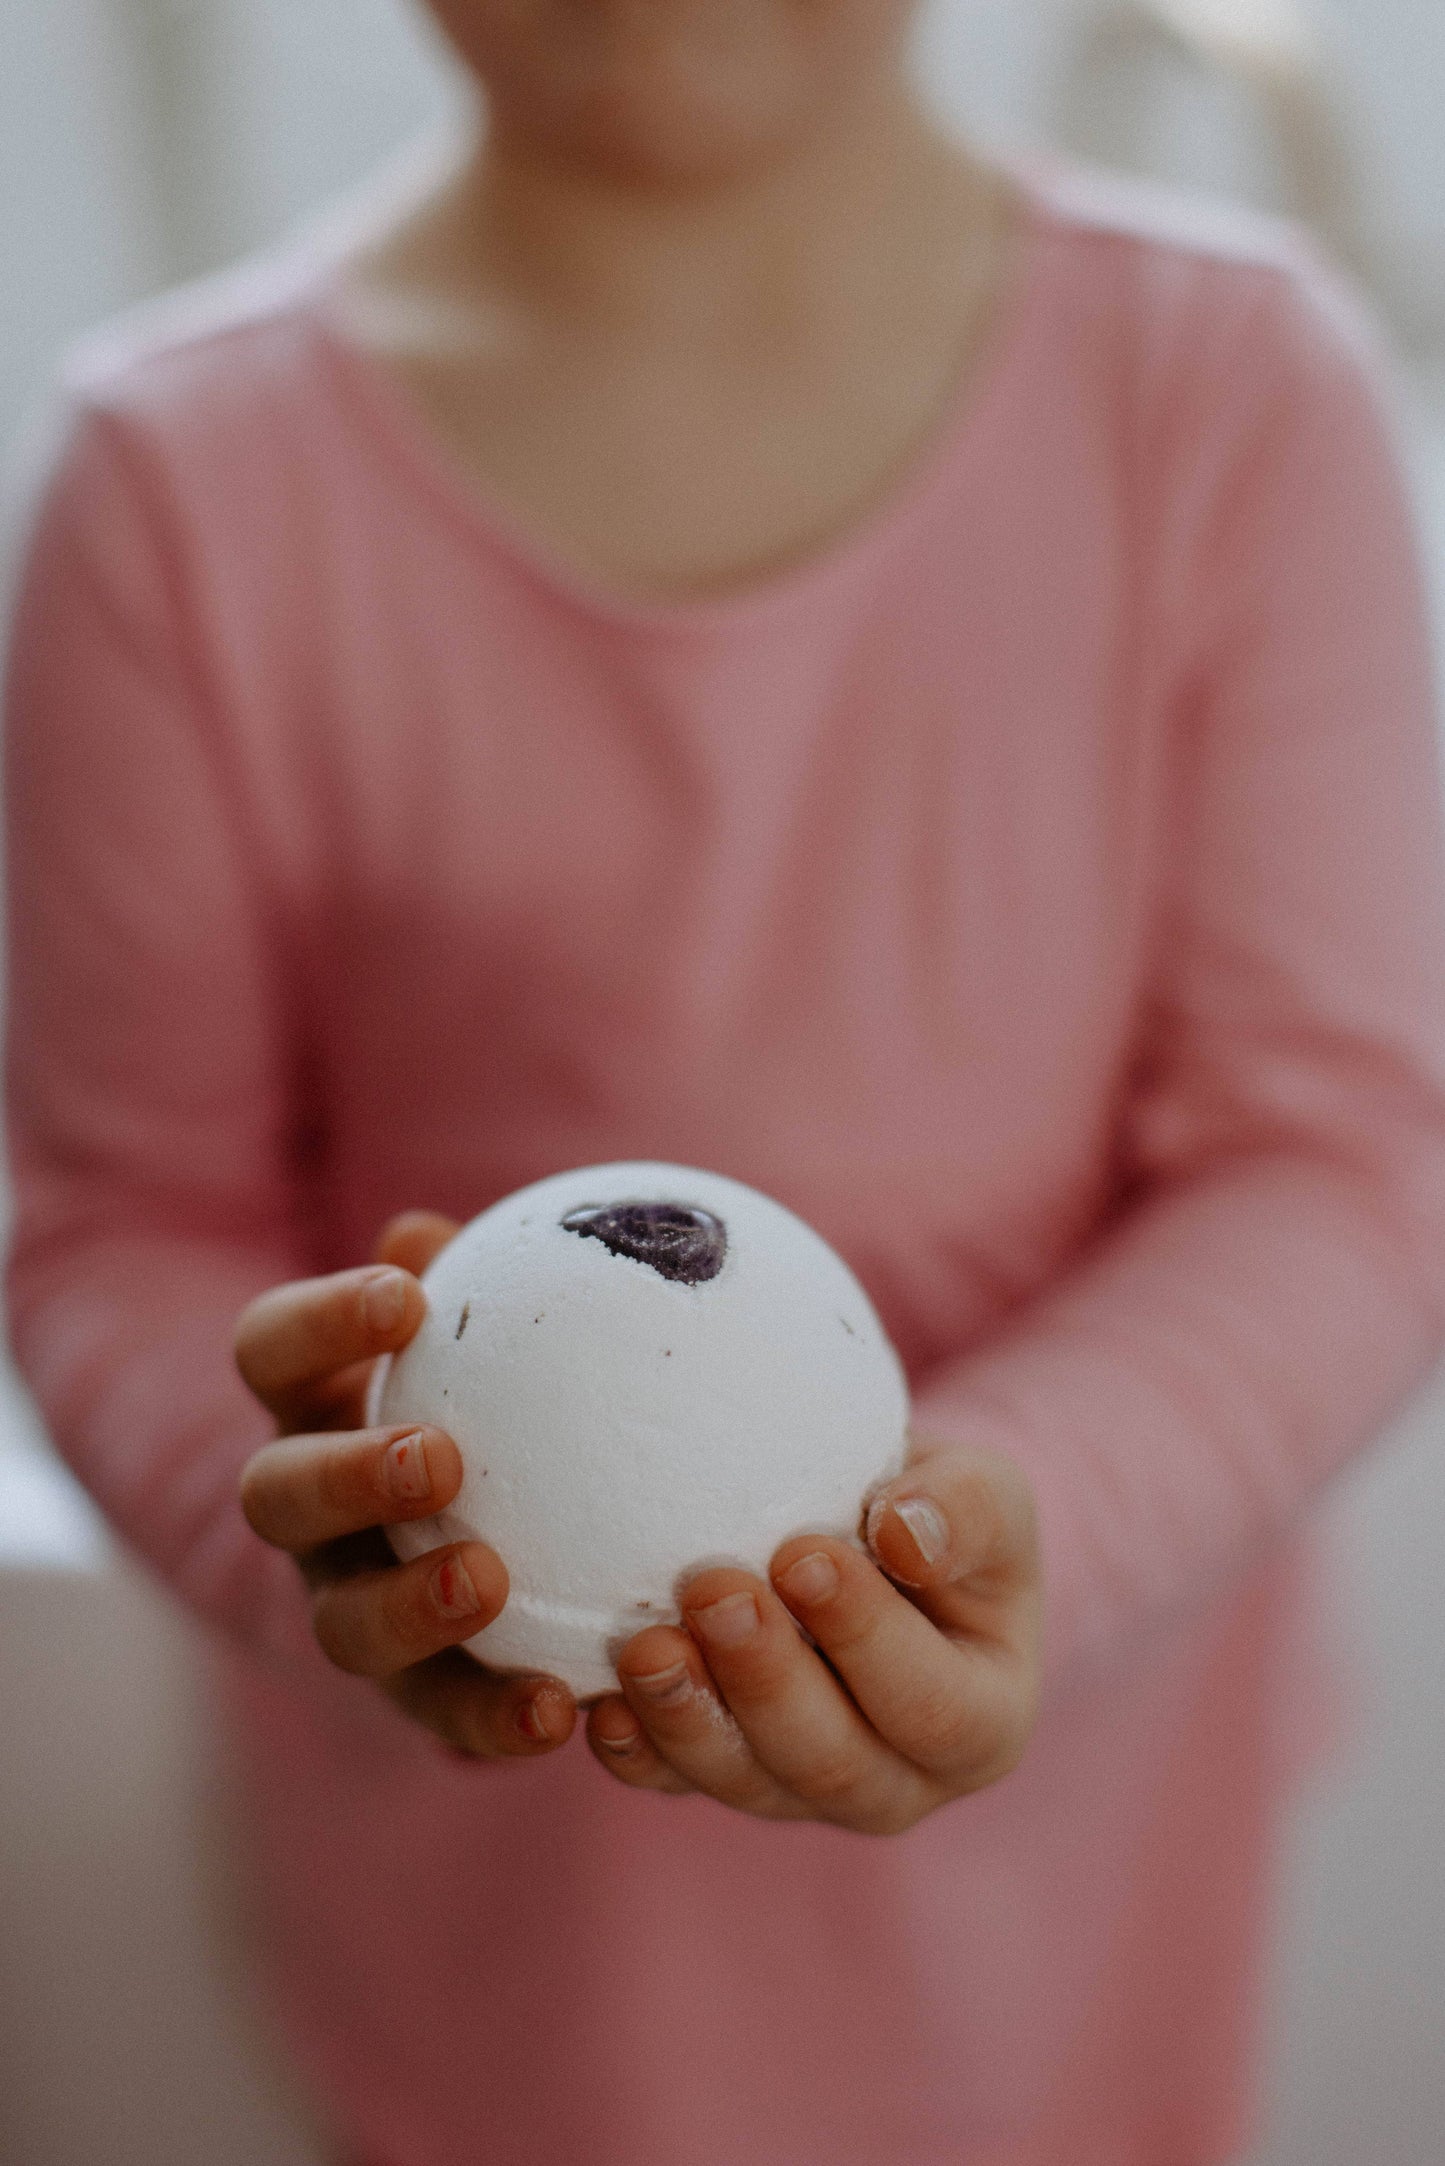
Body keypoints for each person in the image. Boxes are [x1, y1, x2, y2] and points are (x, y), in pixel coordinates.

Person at [5, 3, 1445, 2162]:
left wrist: (1019, 1510)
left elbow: (1338, 1161)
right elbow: (117, 1218)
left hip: (1070, 1889)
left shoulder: (1226, 396)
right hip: (481, 1927)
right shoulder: (182, 487)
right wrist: (301, 1525)